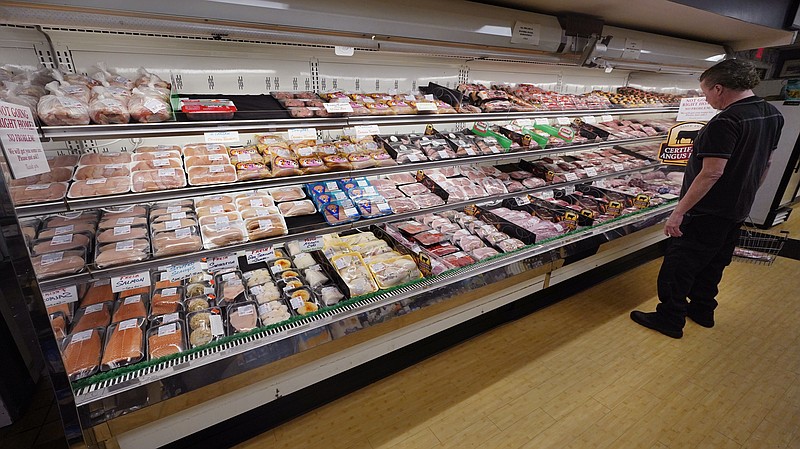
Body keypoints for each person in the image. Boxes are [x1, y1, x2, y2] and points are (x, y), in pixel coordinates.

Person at [630, 59, 784, 339]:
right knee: (714, 262)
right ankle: (702, 310)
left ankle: (670, 319)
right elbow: (766, 164)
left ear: (719, 88)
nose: (706, 99)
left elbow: (712, 173)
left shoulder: (725, 121)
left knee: (679, 266)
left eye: (705, 93)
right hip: (736, 208)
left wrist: (679, 212)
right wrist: (746, 195)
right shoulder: (771, 113)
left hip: (707, 210)